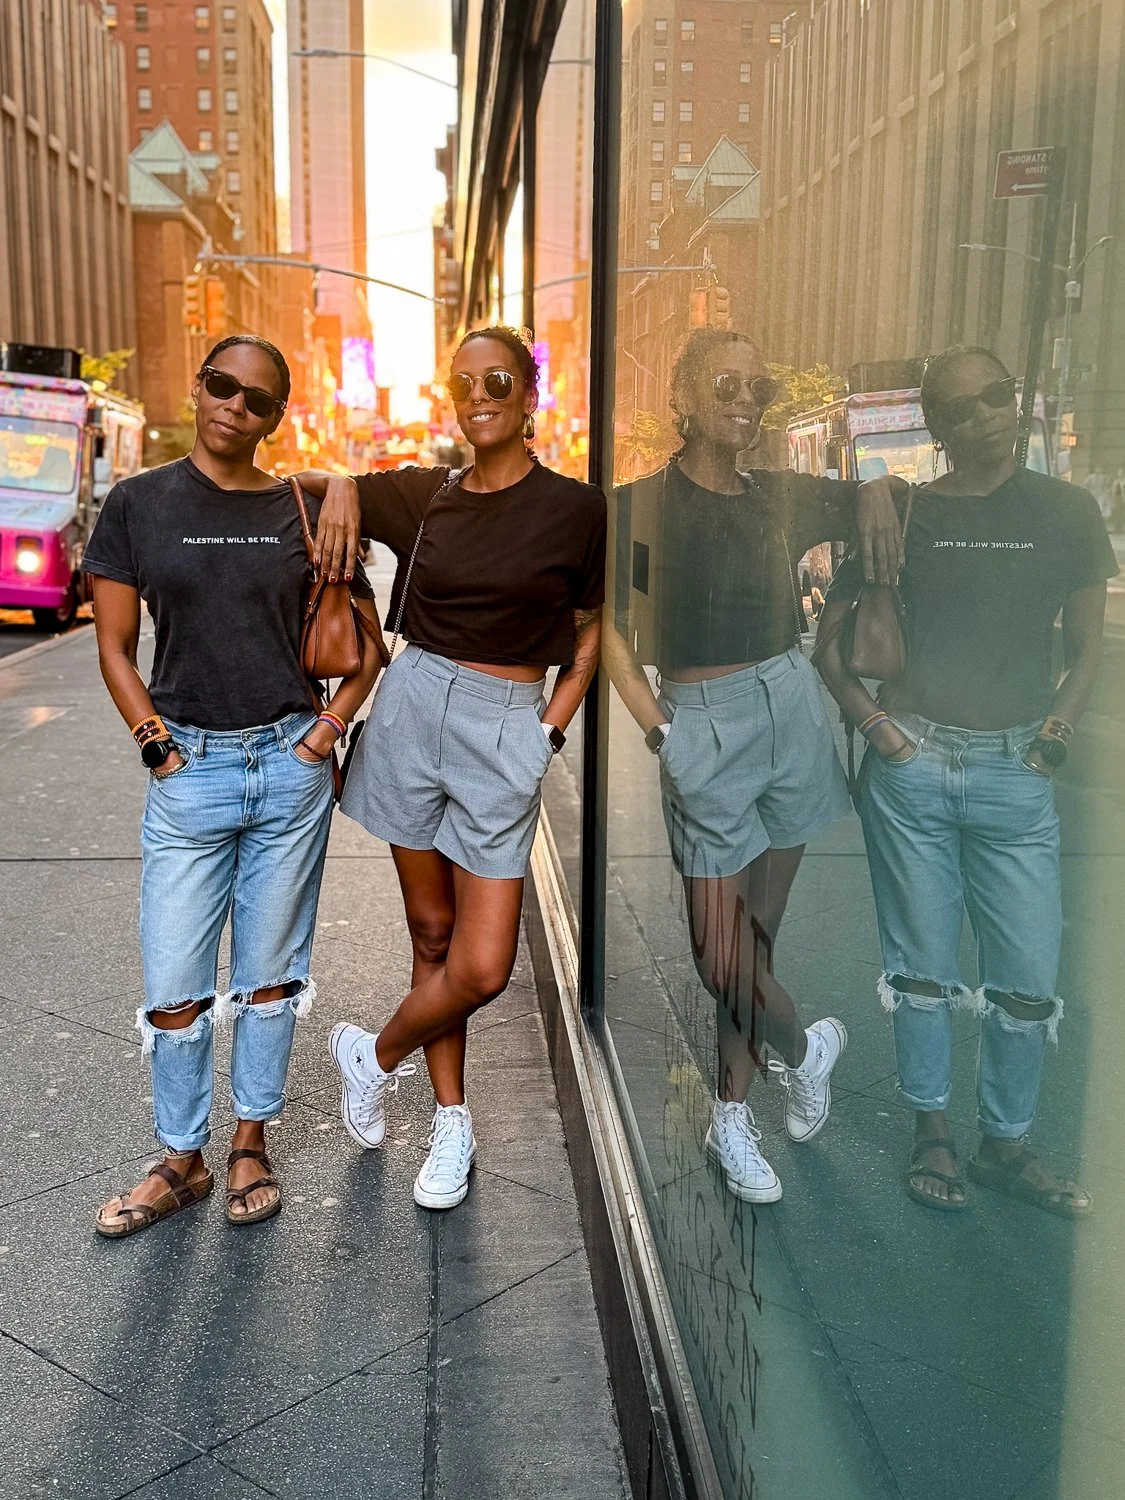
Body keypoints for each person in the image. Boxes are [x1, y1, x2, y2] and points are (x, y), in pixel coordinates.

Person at [299, 325, 606, 1210]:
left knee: (483, 966)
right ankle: (450, 1120)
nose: (479, 395)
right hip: (411, 709)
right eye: (463, 382)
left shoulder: (576, 510)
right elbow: (288, 482)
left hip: (505, 726)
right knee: (429, 939)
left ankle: (373, 1053)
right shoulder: (425, 494)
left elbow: (589, 638)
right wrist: (348, 488)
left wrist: (546, 730)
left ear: (529, 394)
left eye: (498, 379)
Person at [83, 335, 384, 1237]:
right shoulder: (136, 504)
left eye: (256, 400)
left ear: (274, 418)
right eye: (221, 385)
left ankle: (250, 1141)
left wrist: (325, 734)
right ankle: (183, 1159)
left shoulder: (306, 507)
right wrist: (158, 750)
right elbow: (113, 645)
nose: (233, 407)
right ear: (198, 383)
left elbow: (365, 649)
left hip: (289, 763)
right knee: (174, 981)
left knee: (268, 977)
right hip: (188, 768)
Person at [601, 326, 904, 1204]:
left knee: (756, 940)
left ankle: (731, 1115)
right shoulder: (638, 506)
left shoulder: (782, 494)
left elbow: (879, 499)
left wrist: (878, 484)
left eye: (758, 388)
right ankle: (807, 1050)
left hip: (789, 706)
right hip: (699, 720)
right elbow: (610, 632)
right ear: (686, 400)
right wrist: (661, 731)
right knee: (718, 953)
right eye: (726, 384)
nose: (745, 400)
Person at [816, 345, 1115, 1216]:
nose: (984, 413)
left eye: (995, 396)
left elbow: (1086, 644)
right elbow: (834, 649)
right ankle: (932, 1134)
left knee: (1028, 973)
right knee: (921, 969)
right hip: (913, 762)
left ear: (1013, 403)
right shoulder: (905, 515)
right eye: (960, 406)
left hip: (1017, 767)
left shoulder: (1066, 510)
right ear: (937, 427)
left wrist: (1053, 735)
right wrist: (879, 731)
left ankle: (1006, 1145)